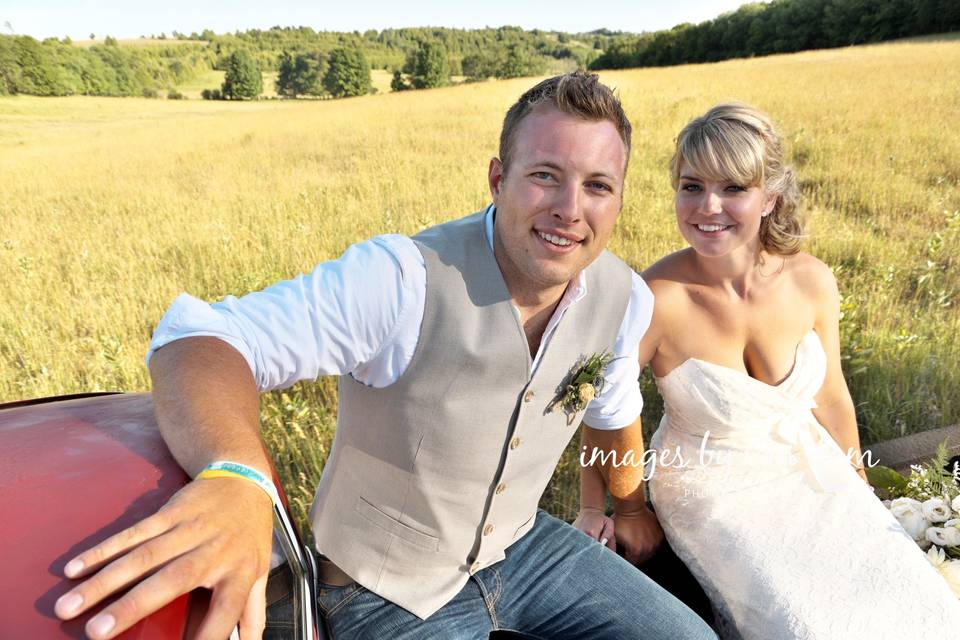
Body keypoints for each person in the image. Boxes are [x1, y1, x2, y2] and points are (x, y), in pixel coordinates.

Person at [53, 71, 717, 640]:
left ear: (620, 198)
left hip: (521, 547)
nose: (571, 209)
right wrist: (236, 476)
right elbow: (202, 336)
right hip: (382, 586)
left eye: (598, 186)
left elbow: (613, 406)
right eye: (545, 176)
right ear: (497, 178)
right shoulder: (401, 279)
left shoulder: (624, 296)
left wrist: (627, 507)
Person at [576, 102, 960, 638]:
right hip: (711, 491)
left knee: (920, 600)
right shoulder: (656, 298)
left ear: (770, 196)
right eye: (691, 186)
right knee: (804, 623)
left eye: (733, 188)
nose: (708, 206)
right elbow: (602, 405)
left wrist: (857, 484)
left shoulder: (812, 281)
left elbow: (831, 398)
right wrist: (619, 507)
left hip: (811, 472)